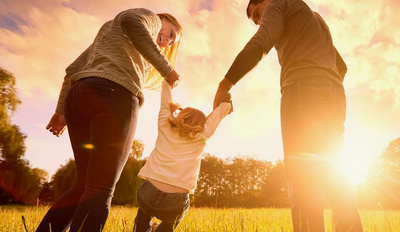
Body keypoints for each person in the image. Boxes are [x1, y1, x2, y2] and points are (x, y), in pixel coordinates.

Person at [213, 0, 363, 231]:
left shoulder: (278, 4)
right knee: (333, 173)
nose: (259, 22)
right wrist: (323, 87)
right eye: (255, 21)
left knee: (302, 176)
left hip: (302, 91)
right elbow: (340, 66)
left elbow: (262, 42)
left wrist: (225, 84)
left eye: (257, 14)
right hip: (334, 96)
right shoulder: (314, 18)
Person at [37, 8, 182, 232]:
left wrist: (61, 111)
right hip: (115, 95)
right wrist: (166, 68)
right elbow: (130, 20)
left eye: (173, 42)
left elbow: (73, 70)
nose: (169, 42)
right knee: (100, 188)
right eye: (172, 33)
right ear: (163, 19)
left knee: (84, 185)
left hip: (79, 97)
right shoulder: (150, 19)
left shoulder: (110, 32)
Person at [133, 80, 233, 232]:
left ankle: (142, 228)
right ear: (202, 125)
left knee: (143, 216)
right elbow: (222, 108)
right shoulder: (203, 136)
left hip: (148, 193)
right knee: (169, 222)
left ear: (182, 115)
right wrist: (226, 103)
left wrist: (168, 82)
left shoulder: (165, 124)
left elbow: (165, 100)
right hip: (176, 200)